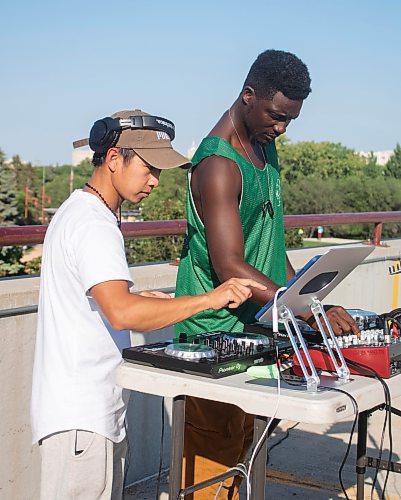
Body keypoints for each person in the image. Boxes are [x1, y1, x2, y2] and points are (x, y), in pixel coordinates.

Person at [30, 108, 267, 500]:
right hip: (81, 419)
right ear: (113, 159)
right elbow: (122, 312)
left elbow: (106, 300)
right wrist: (210, 298)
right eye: (148, 168)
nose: (155, 181)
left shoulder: (81, 212)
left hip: (83, 414)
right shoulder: (93, 226)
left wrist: (143, 298)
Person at [174, 50, 360, 499]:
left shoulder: (264, 145)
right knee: (212, 478)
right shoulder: (218, 165)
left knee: (245, 459)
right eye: (276, 116)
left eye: (290, 120)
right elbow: (230, 266)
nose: (281, 129)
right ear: (247, 95)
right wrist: (303, 309)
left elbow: (270, 248)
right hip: (214, 335)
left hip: (257, 325)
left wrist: (308, 298)